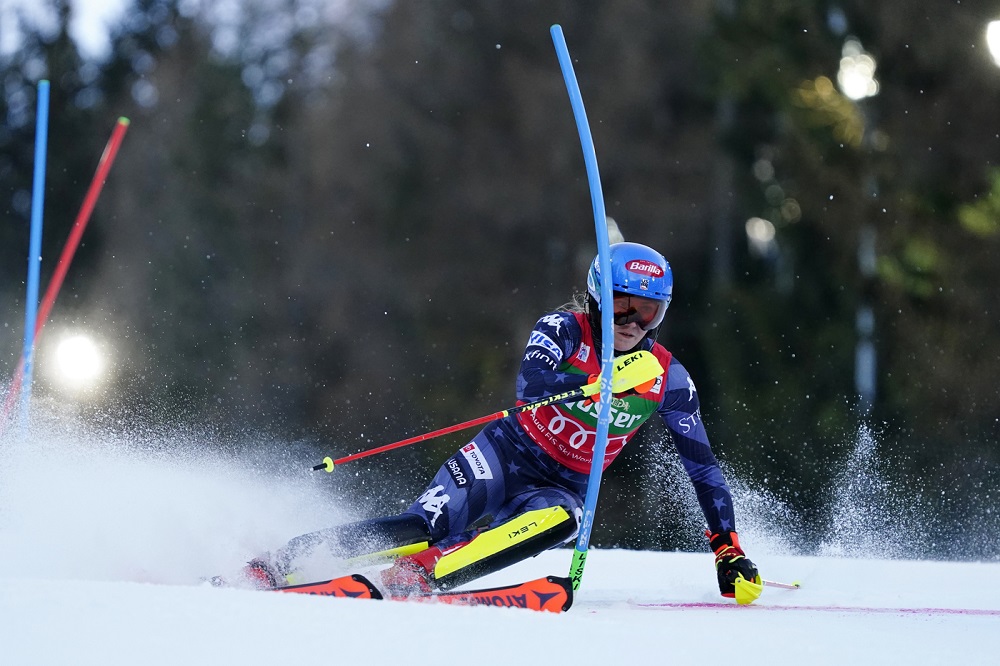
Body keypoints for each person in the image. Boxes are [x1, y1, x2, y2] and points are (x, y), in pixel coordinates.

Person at [239, 241, 761, 602]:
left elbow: (704, 470)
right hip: (503, 457)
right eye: (622, 306)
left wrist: (726, 550)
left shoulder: (668, 379)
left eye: (648, 312)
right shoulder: (562, 328)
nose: (631, 323)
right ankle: (283, 561)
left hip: (562, 487)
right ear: (598, 296)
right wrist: (597, 386)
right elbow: (530, 387)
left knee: (564, 520)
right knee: (423, 527)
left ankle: (422, 575)